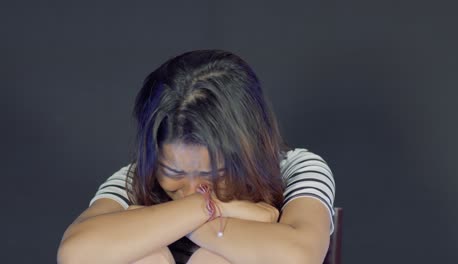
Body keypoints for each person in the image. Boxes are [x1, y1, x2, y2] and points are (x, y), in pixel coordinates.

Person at [57, 50, 335, 264]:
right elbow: (77, 252)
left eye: (213, 175)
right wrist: (209, 208)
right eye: (175, 174)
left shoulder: (295, 168)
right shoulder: (138, 177)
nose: (192, 190)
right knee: (146, 258)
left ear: (247, 151)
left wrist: (156, 222)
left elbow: (299, 256)